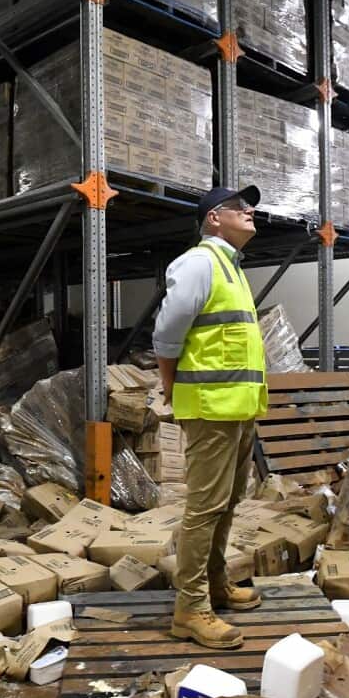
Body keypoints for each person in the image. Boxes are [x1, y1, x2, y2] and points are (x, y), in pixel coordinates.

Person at [152, 184, 268, 649]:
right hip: (211, 410)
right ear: (214, 218)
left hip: (236, 410)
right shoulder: (200, 262)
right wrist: (169, 384)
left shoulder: (232, 269)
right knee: (203, 509)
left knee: (226, 502)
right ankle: (190, 608)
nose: (251, 212)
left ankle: (215, 584)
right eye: (242, 208)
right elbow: (167, 331)